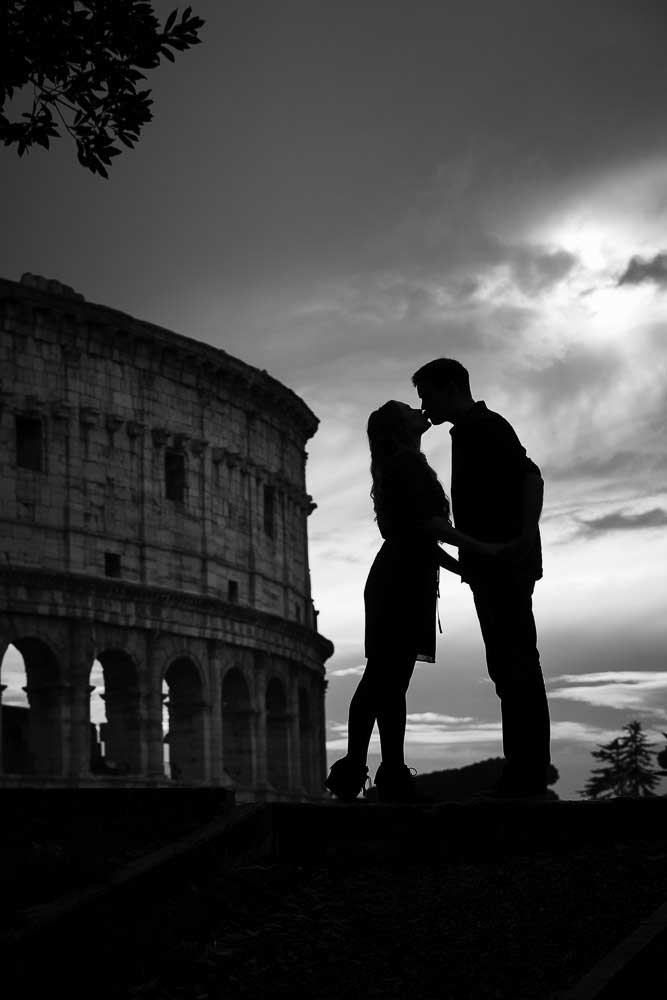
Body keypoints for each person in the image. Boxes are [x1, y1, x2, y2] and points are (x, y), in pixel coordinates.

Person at [325, 400, 505, 804]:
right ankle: (367, 770)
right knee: (384, 676)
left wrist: (464, 566)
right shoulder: (408, 465)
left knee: (391, 679)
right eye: (409, 409)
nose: (418, 410)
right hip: (404, 578)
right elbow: (429, 527)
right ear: (399, 426)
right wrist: (481, 551)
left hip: (405, 573)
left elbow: (420, 535)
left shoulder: (398, 464)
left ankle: (382, 770)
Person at [412, 358, 551, 798]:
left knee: (517, 666)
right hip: (491, 566)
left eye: (427, 395)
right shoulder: (469, 431)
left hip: (504, 564)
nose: (424, 406)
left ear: (451, 388)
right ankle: (523, 770)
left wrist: (524, 537)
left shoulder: (486, 427)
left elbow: (531, 477)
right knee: (509, 668)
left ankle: (526, 774)